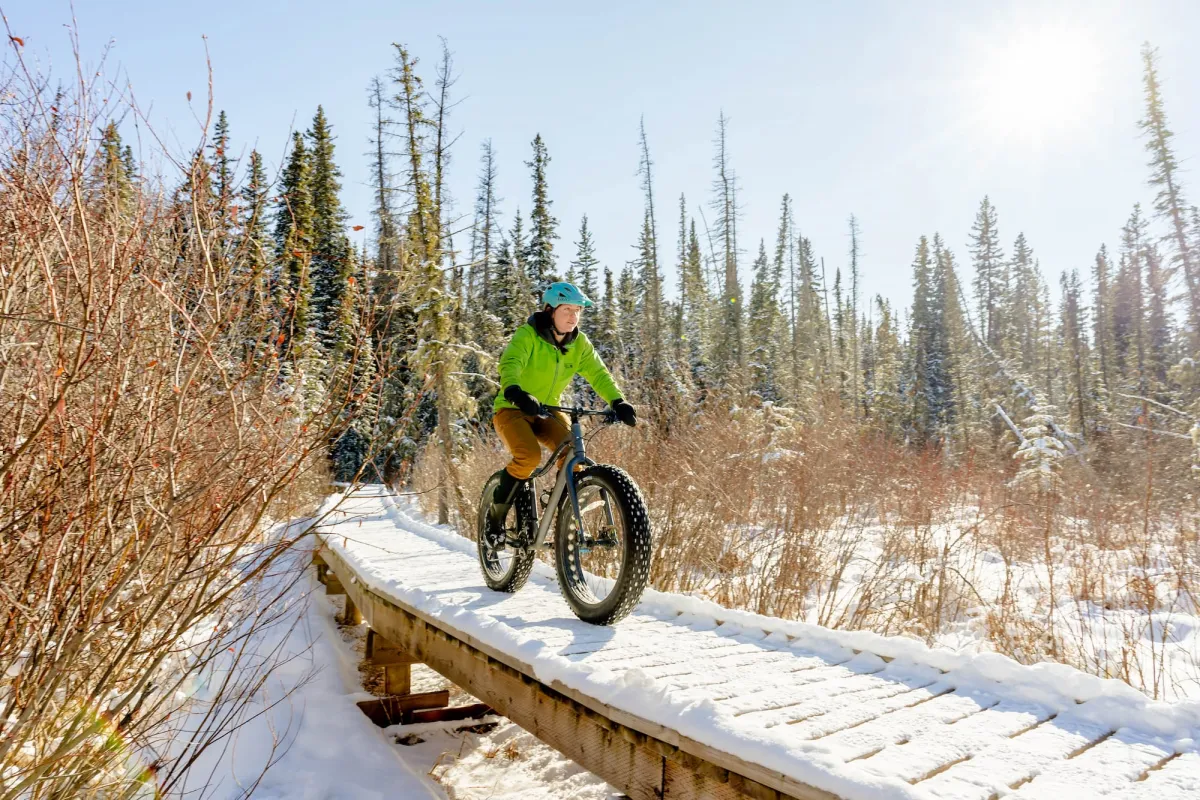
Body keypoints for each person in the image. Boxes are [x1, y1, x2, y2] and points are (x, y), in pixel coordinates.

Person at [488, 281, 636, 527]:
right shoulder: (528, 335)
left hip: (548, 410)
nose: (573, 316)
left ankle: (566, 517)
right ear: (550, 311)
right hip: (513, 407)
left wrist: (618, 401)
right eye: (567, 309)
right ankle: (495, 519)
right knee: (528, 456)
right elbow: (510, 363)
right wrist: (515, 391)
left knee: (574, 453)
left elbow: (599, 374)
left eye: (577, 311)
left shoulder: (579, 343)